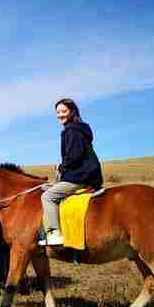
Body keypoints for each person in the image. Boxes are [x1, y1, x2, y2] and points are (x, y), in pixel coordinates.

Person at [39, 98, 103, 246]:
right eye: (58, 112)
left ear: (72, 111)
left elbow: (74, 157)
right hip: (85, 174)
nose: (60, 115)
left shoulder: (72, 131)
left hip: (80, 177)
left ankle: (54, 234)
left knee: (47, 196)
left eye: (64, 111)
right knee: (44, 187)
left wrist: (61, 167)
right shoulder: (78, 129)